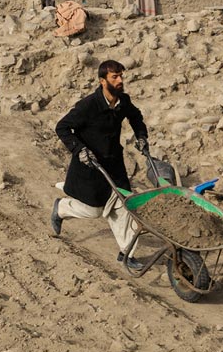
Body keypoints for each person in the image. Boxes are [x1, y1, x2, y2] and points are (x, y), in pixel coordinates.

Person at [51, 60, 150, 271]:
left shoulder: (123, 101)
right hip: (90, 167)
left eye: (121, 76)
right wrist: (80, 150)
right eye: (115, 77)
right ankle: (60, 208)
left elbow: (136, 117)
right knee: (94, 212)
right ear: (102, 81)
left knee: (124, 206)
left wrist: (141, 136)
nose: (120, 80)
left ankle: (126, 253)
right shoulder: (88, 105)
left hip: (114, 163)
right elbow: (62, 128)